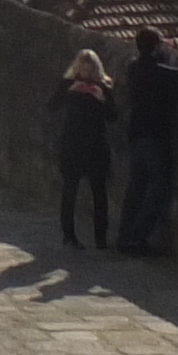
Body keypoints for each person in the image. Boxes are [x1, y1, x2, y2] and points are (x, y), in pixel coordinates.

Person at [116, 26, 178, 252]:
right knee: (157, 185)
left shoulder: (133, 66)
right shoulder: (157, 71)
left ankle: (125, 235)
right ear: (156, 46)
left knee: (136, 185)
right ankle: (138, 237)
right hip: (154, 134)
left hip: (136, 131)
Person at [49, 45, 116, 249]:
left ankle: (101, 238)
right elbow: (52, 106)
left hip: (96, 145)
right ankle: (69, 235)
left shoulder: (104, 86)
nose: (86, 73)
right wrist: (67, 91)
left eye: (90, 68)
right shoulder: (68, 84)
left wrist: (102, 99)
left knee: (99, 192)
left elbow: (113, 116)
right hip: (73, 144)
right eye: (82, 68)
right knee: (70, 190)